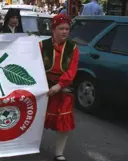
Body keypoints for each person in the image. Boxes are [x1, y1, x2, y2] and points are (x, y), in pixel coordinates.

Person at [39, 14, 79, 161]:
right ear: (53, 29)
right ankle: (30, 144)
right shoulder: (42, 45)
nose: (65, 32)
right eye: (61, 28)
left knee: (64, 121)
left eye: (67, 29)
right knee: (36, 118)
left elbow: (72, 70)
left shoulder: (73, 48)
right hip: (43, 86)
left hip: (63, 87)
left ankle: (59, 153)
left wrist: (60, 85)